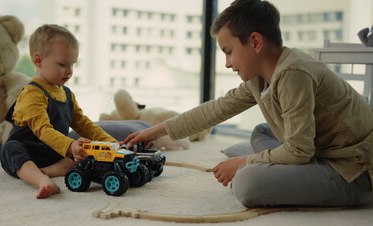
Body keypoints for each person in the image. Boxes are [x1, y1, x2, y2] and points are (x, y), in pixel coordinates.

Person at [124, 0, 373, 208]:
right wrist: (154, 131)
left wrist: (243, 163)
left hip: (353, 169)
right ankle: (280, 165)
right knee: (262, 131)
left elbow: (299, 150)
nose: (227, 63)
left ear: (255, 42)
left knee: (246, 184)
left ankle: (270, 166)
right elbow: (216, 109)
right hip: (315, 151)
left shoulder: (293, 72)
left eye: (228, 51)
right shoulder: (259, 78)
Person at [0, 24, 116, 199]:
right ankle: (41, 180)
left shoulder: (66, 94)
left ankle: (42, 171)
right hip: (27, 150)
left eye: (72, 64)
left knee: (77, 160)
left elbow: (83, 124)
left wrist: (112, 143)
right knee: (10, 148)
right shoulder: (32, 93)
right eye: (63, 64)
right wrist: (70, 145)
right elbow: (43, 130)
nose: (69, 71)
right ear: (38, 60)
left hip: (53, 153)